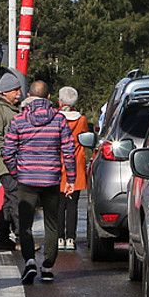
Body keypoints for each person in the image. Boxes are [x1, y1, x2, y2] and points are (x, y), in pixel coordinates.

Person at [3, 79, 76, 284]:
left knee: (25, 224)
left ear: (29, 97)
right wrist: (71, 178)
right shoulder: (59, 120)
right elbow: (69, 151)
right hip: (51, 179)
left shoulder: (18, 121)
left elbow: (8, 152)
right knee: (51, 224)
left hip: (26, 179)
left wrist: (16, 172)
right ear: (49, 97)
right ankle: (47, 265)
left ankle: (29, 262)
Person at [0, 71, 24, 251]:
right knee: (16, 199)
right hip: (7, 165)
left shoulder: (17, 109)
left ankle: (1, 238)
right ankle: (21, 237)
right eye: (15, 90)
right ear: (4, 92)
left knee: (9, 202)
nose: (19, 93)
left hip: (19, 163)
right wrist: (8, 152)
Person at [56, 86, 90, 251]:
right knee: (72, 205)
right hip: (76, 166)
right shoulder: (81, 120)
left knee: (58, 204)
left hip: (58, 164)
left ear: (60, 101)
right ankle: (71, 237)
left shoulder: (56, 118)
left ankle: (59, 237)